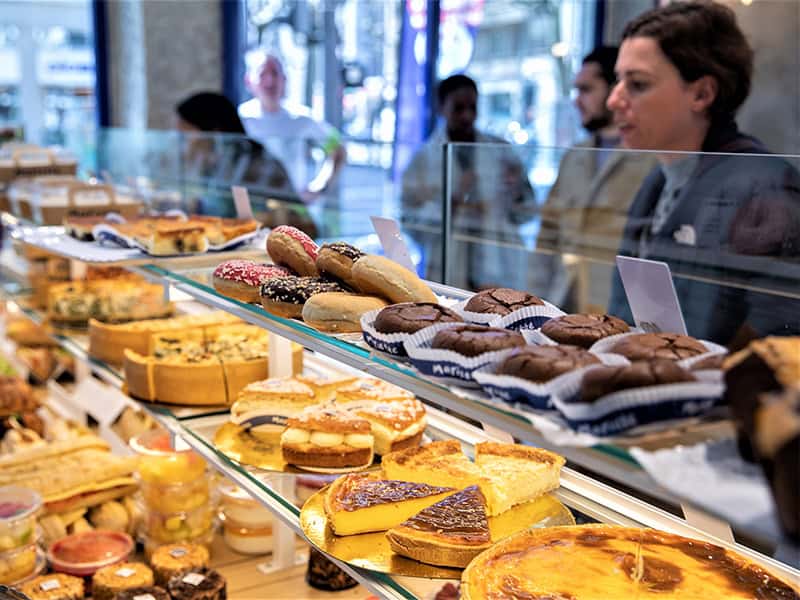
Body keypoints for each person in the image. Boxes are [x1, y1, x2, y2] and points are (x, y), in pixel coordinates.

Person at [605, 1, 800, 344]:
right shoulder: (657, 179)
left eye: (637, 84)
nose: (614, 100)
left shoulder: (766, 187)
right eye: (618, 81)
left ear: (702, 93)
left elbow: (777, 342)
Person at [533, 46, 657, 310]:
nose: (577, 100)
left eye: (586, 90)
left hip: (616, 309)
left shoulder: (652, 159)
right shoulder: (574, 156)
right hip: (560, 301)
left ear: (615, 90)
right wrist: (531, 300)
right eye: (577, 90)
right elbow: (548, 232)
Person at [400, 74, 536, 290]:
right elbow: (409, 221)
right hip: (449, 265)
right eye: (458, 108)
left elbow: (527, 211)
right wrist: (452, 202)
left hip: (499, 264)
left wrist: (515, 189)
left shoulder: (501, 150)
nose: (467, 116)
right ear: (441, 107)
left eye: (472, 107)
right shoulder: (423, 159)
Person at [238, 51, 346, 203]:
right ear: (249, 81)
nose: (270, 81)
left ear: (284, 79)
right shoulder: (241, 118)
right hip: (253, 205)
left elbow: (337, 148)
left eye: (275, 73)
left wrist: (319, 187)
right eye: (262, 74)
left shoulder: (302, 119)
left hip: (292, 207)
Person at [176, 92, 297, 204]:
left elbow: (244, 213)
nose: (182, 145)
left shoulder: (245, 162)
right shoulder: (216, 161)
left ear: (214, 132)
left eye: (185, 137)